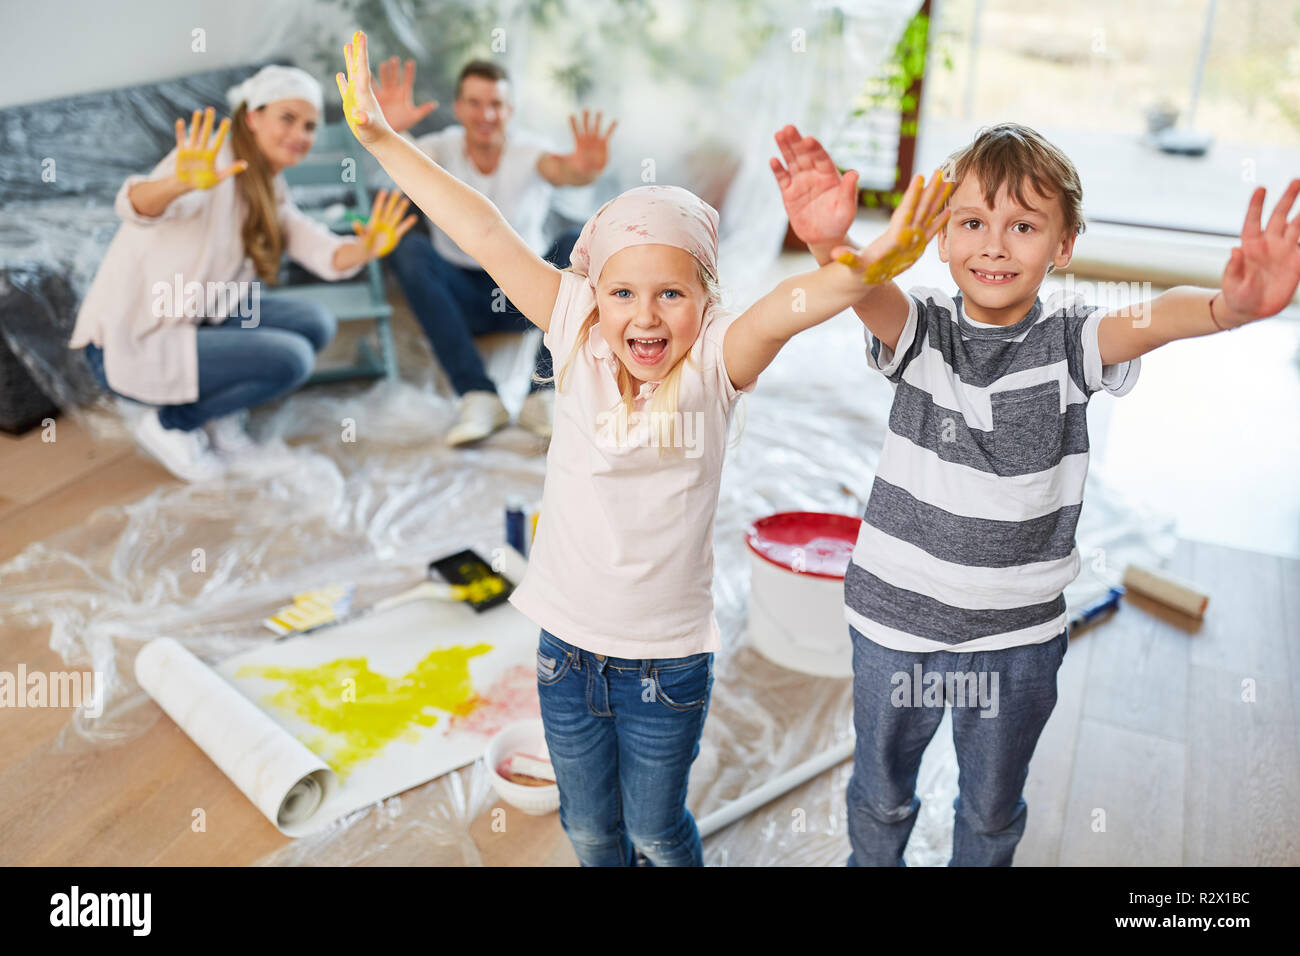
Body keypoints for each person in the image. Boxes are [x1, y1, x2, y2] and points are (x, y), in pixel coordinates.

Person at [335, 29, 945, 864]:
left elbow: (792, 307)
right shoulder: (574, 329)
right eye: (623, 291)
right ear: (595, 292)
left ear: (707, 299)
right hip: (562, 659)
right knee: (588, 829)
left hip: (665, 670)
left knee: (657, 829)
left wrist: (852, 259)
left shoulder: (718, 363)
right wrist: (381, 140)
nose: (645, 315)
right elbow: (481, 230)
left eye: (671, 292)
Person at [770, 121, 1300, 866]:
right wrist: (833, 247)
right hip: (895, 627)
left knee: (989, 812)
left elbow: (1154, 317)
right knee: (881, 794)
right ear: (941, 237)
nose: (994, 244)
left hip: (1014, 641)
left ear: (1064, 244)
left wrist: (1229, 308)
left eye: (1023, 226)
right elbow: (864, 292)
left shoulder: (1073, 342)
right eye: (973, 223)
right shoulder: (920, 326)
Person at [69, 65, 416, 481]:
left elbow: (317, 247)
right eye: (287, 119)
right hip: (134, 339)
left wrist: (365, 248)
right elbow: (136, 206)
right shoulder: (210, 166)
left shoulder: (267, 185)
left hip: (198, 319)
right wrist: (177, 184)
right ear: (252, 117)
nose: (300, 135)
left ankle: (220, 417)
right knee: (291, 360)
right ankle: (173, 422)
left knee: (316, 323)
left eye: (309, 125)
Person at [370, 55, 616, 444]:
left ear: (510, 111)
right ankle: (479, 395)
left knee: (576, 241)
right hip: (460, 292)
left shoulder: (530, 151)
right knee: (410, 249)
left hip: (528, 294)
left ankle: (543, 392)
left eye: (496, 104)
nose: (486, 114)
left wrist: (584, 170)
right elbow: (403, 169)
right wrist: (391, 135)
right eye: (475, 103)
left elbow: (563, 170)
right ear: (458, 108)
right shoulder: (438, 147)